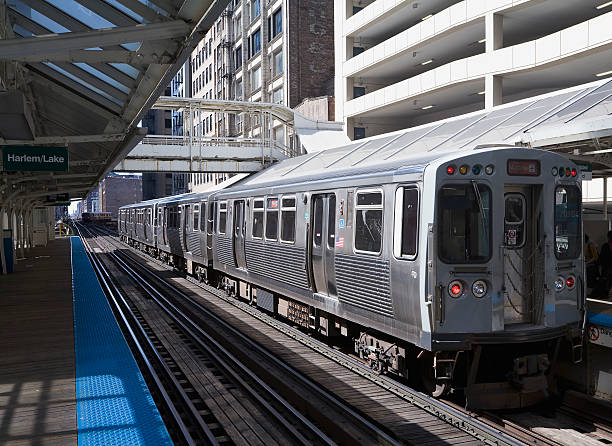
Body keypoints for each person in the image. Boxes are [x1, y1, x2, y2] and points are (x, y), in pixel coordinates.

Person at [598, 231, 612, 298]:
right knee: (606, 279)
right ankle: (605, 292)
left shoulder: (605, 246)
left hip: (607, 267)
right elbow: (602, 257)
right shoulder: (605, 246)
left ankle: (606, 293)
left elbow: (601, 257)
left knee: (607, 279)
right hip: (606, 266)